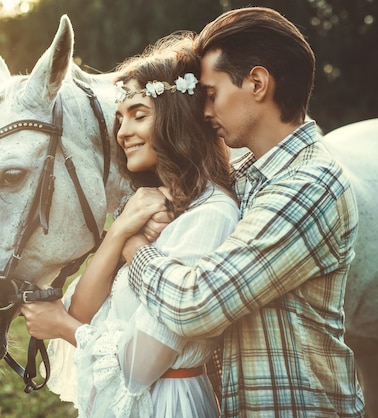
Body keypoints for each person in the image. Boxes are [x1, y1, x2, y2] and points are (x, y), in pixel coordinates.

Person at [119, 7, 366, 417]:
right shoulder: (249, 175)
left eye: (211, 94)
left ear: (256, 83)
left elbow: (197, 304)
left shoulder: (309, 185)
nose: (203, 110)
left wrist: (134, 247)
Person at [21, 33, 239, 417]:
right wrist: (121, 231)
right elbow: (84, 312)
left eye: (139, 115)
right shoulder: (143, 207)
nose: (122, 133)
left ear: (177, 118)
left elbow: (142, 366)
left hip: (167, 403)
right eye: (120, 118)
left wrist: (61, 327)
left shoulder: (210, 215)